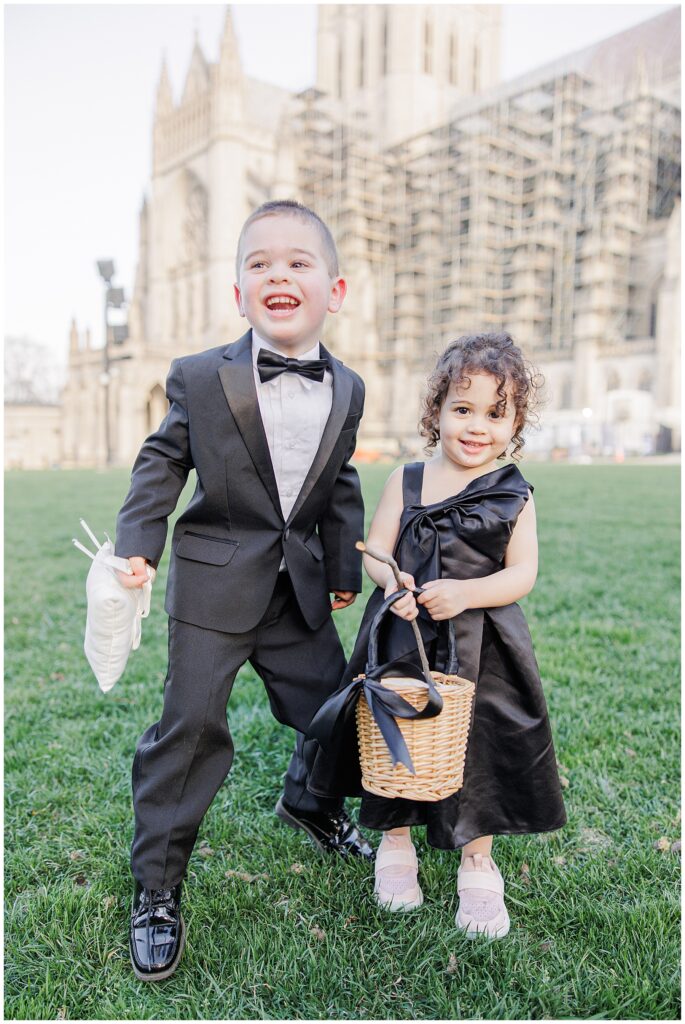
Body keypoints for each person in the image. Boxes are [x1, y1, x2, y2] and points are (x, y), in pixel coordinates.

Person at [115, 200, 372, 981]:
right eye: (260, 263)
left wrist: (341, 569)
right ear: (237, 293)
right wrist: (138, 546)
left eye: (298, 262)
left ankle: (310, 801)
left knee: (334, 711)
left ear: (336, 288)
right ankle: (158, 887)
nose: (278, 275)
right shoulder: (201, 376)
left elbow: (340, 479)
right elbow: (160, 463)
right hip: (214, 587)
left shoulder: (350, 387)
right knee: (190, 730)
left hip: (296, 590)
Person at [309, 333, 567, 938]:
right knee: (396, 734)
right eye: (463, 409)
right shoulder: (409, 479)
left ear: (516, 424)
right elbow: (375, 553)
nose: (477, 427)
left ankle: (478, 860)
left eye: (495, 414)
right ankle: (395, 843)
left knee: (476, 744)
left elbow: (522, 573)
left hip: (483, 642)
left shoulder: (515, 493)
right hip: (405, 634)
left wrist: (467, 593)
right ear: (438, 412)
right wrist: (392, 580)